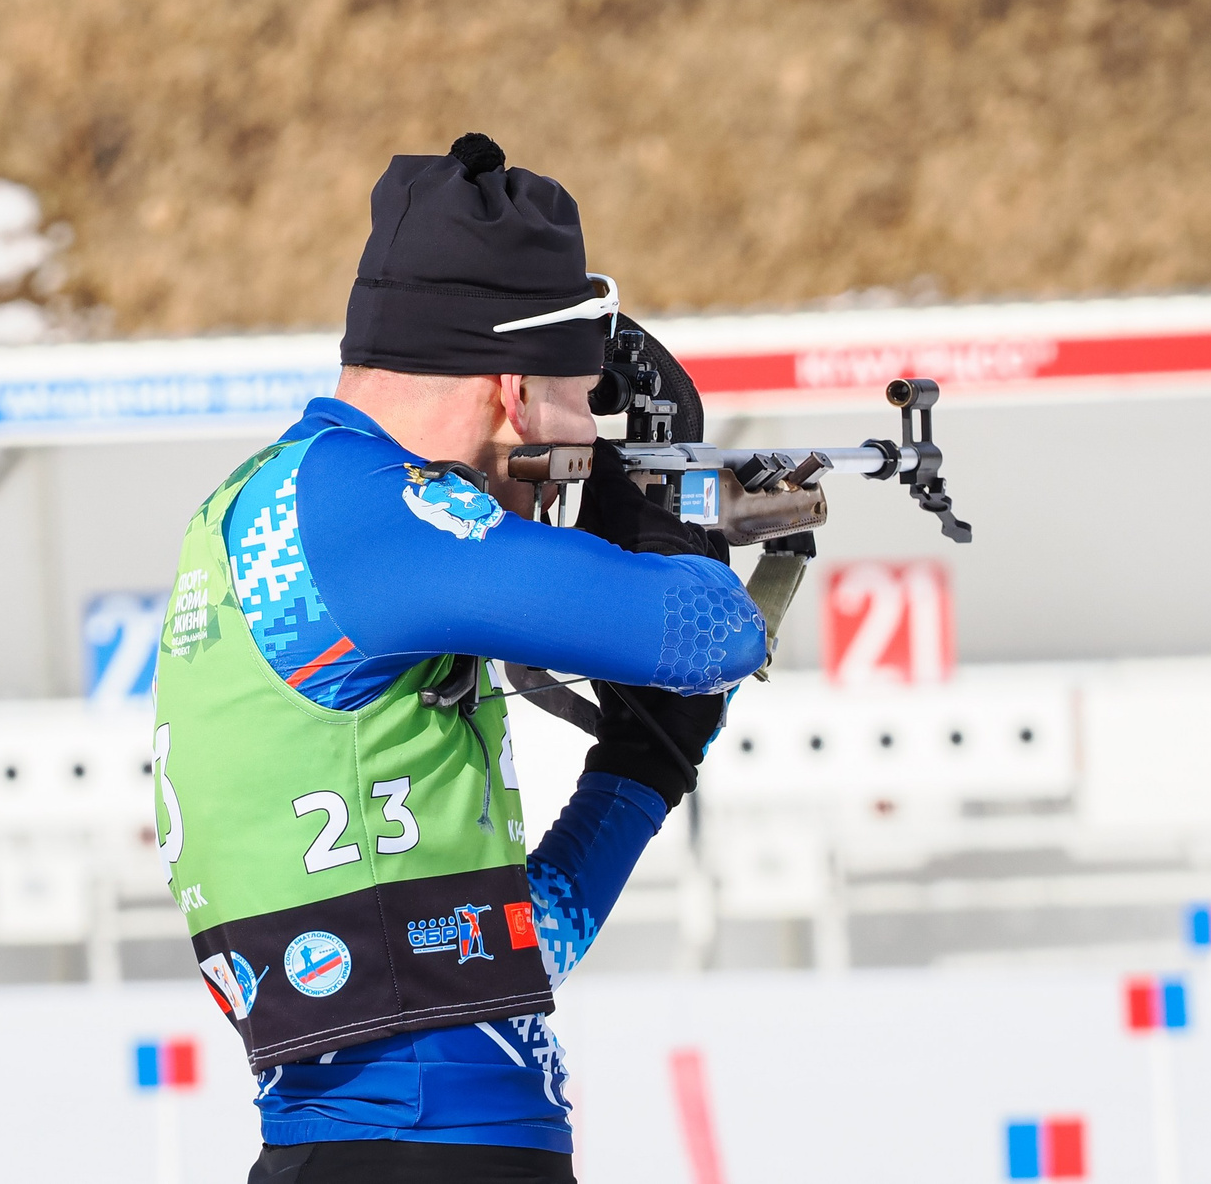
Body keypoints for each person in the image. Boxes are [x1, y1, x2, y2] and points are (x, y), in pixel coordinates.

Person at [152, 132, 769, 1184]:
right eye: (584, 404)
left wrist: (642, 770)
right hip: (423, 1158)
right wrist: (668, 517)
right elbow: (711, 632)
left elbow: (515, 958)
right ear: (514, 390)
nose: (587, 446)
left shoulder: (268, 506)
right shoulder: (368, 508)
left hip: (366, 1148)